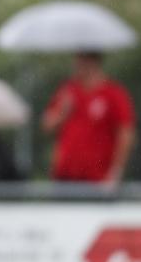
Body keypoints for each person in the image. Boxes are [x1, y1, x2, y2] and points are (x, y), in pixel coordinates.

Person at [42, 52, 135, 184]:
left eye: (82, 61)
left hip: (97, 179)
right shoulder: (67, 90)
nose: (77, 66)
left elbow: (126, 134)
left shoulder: (113, 93)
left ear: (94, 62)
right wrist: (63, 113)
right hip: (64, 175)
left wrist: (115, 173)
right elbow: (47, 126)